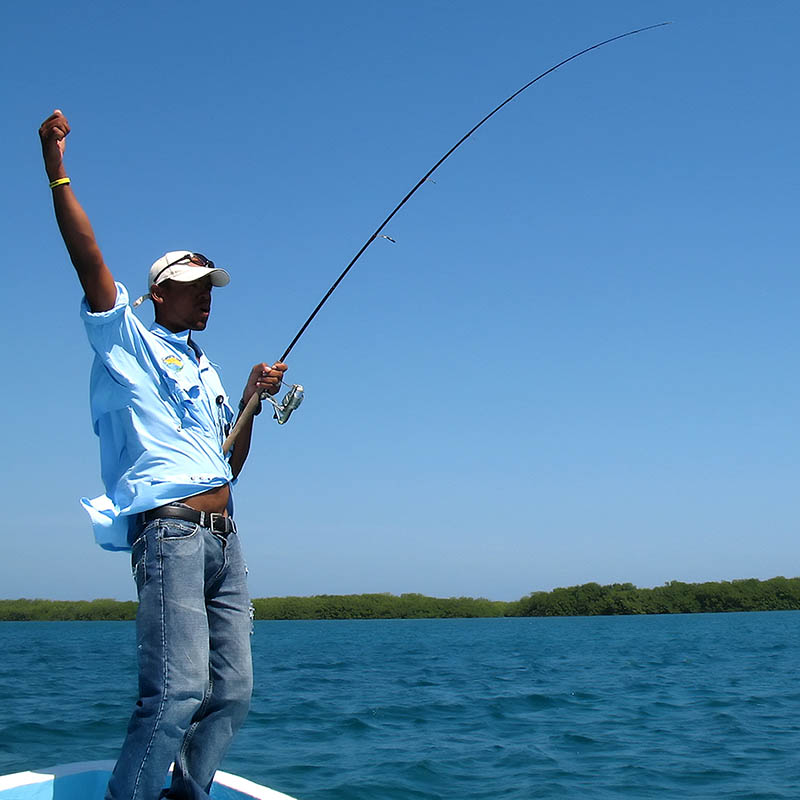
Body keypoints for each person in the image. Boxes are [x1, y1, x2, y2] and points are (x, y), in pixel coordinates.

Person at [38, 109, 287, 800]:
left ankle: (186, 794)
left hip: (224, 536)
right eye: (196, 286)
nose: (208, 297)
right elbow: (88, 257)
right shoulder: (127, 344)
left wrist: (249, 403)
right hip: (171, 533)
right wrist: (56, 169)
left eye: (212, 288)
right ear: (159, 293)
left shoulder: (205, 368)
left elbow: (226, 466)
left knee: (232, 692)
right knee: (174, 693)